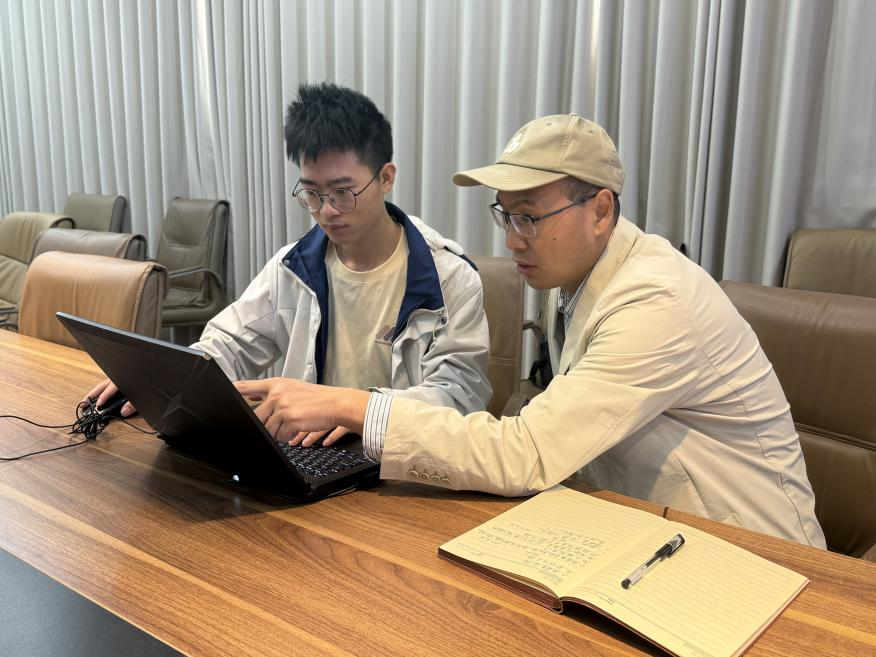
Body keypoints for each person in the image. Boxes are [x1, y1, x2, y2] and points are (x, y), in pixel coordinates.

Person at [234, 113, 826, 548]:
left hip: (753, 558)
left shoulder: (656, 300)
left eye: (530, 217)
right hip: (652, 534)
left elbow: (529, 451)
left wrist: (352, 405)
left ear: (600, 210)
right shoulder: (579, 278)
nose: (512, 239)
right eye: (505, 214)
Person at [86, 82, 492, 445]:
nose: (326, 211)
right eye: (311, 193)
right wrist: (160, 380)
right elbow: (230, 344)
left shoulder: (447, 277)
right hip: (310, 457)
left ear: (386, 177)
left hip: (400, 469)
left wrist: (350, 408)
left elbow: (458, 399)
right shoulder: (295, 266)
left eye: (343, 192)